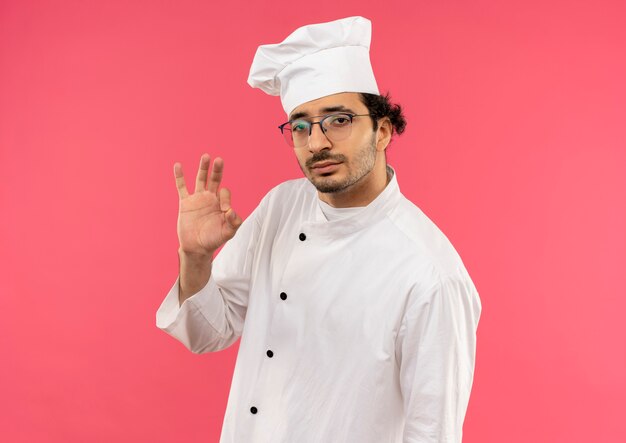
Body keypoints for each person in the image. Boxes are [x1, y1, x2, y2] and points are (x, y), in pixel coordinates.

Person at [156, 16, 482, 443]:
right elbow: (207, 332)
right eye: (301, 126)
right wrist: (195, 258)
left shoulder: (431, 274)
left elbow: (433, 433)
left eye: (339, 120)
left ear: (382, 130)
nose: (317, 143)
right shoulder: (281, 207)